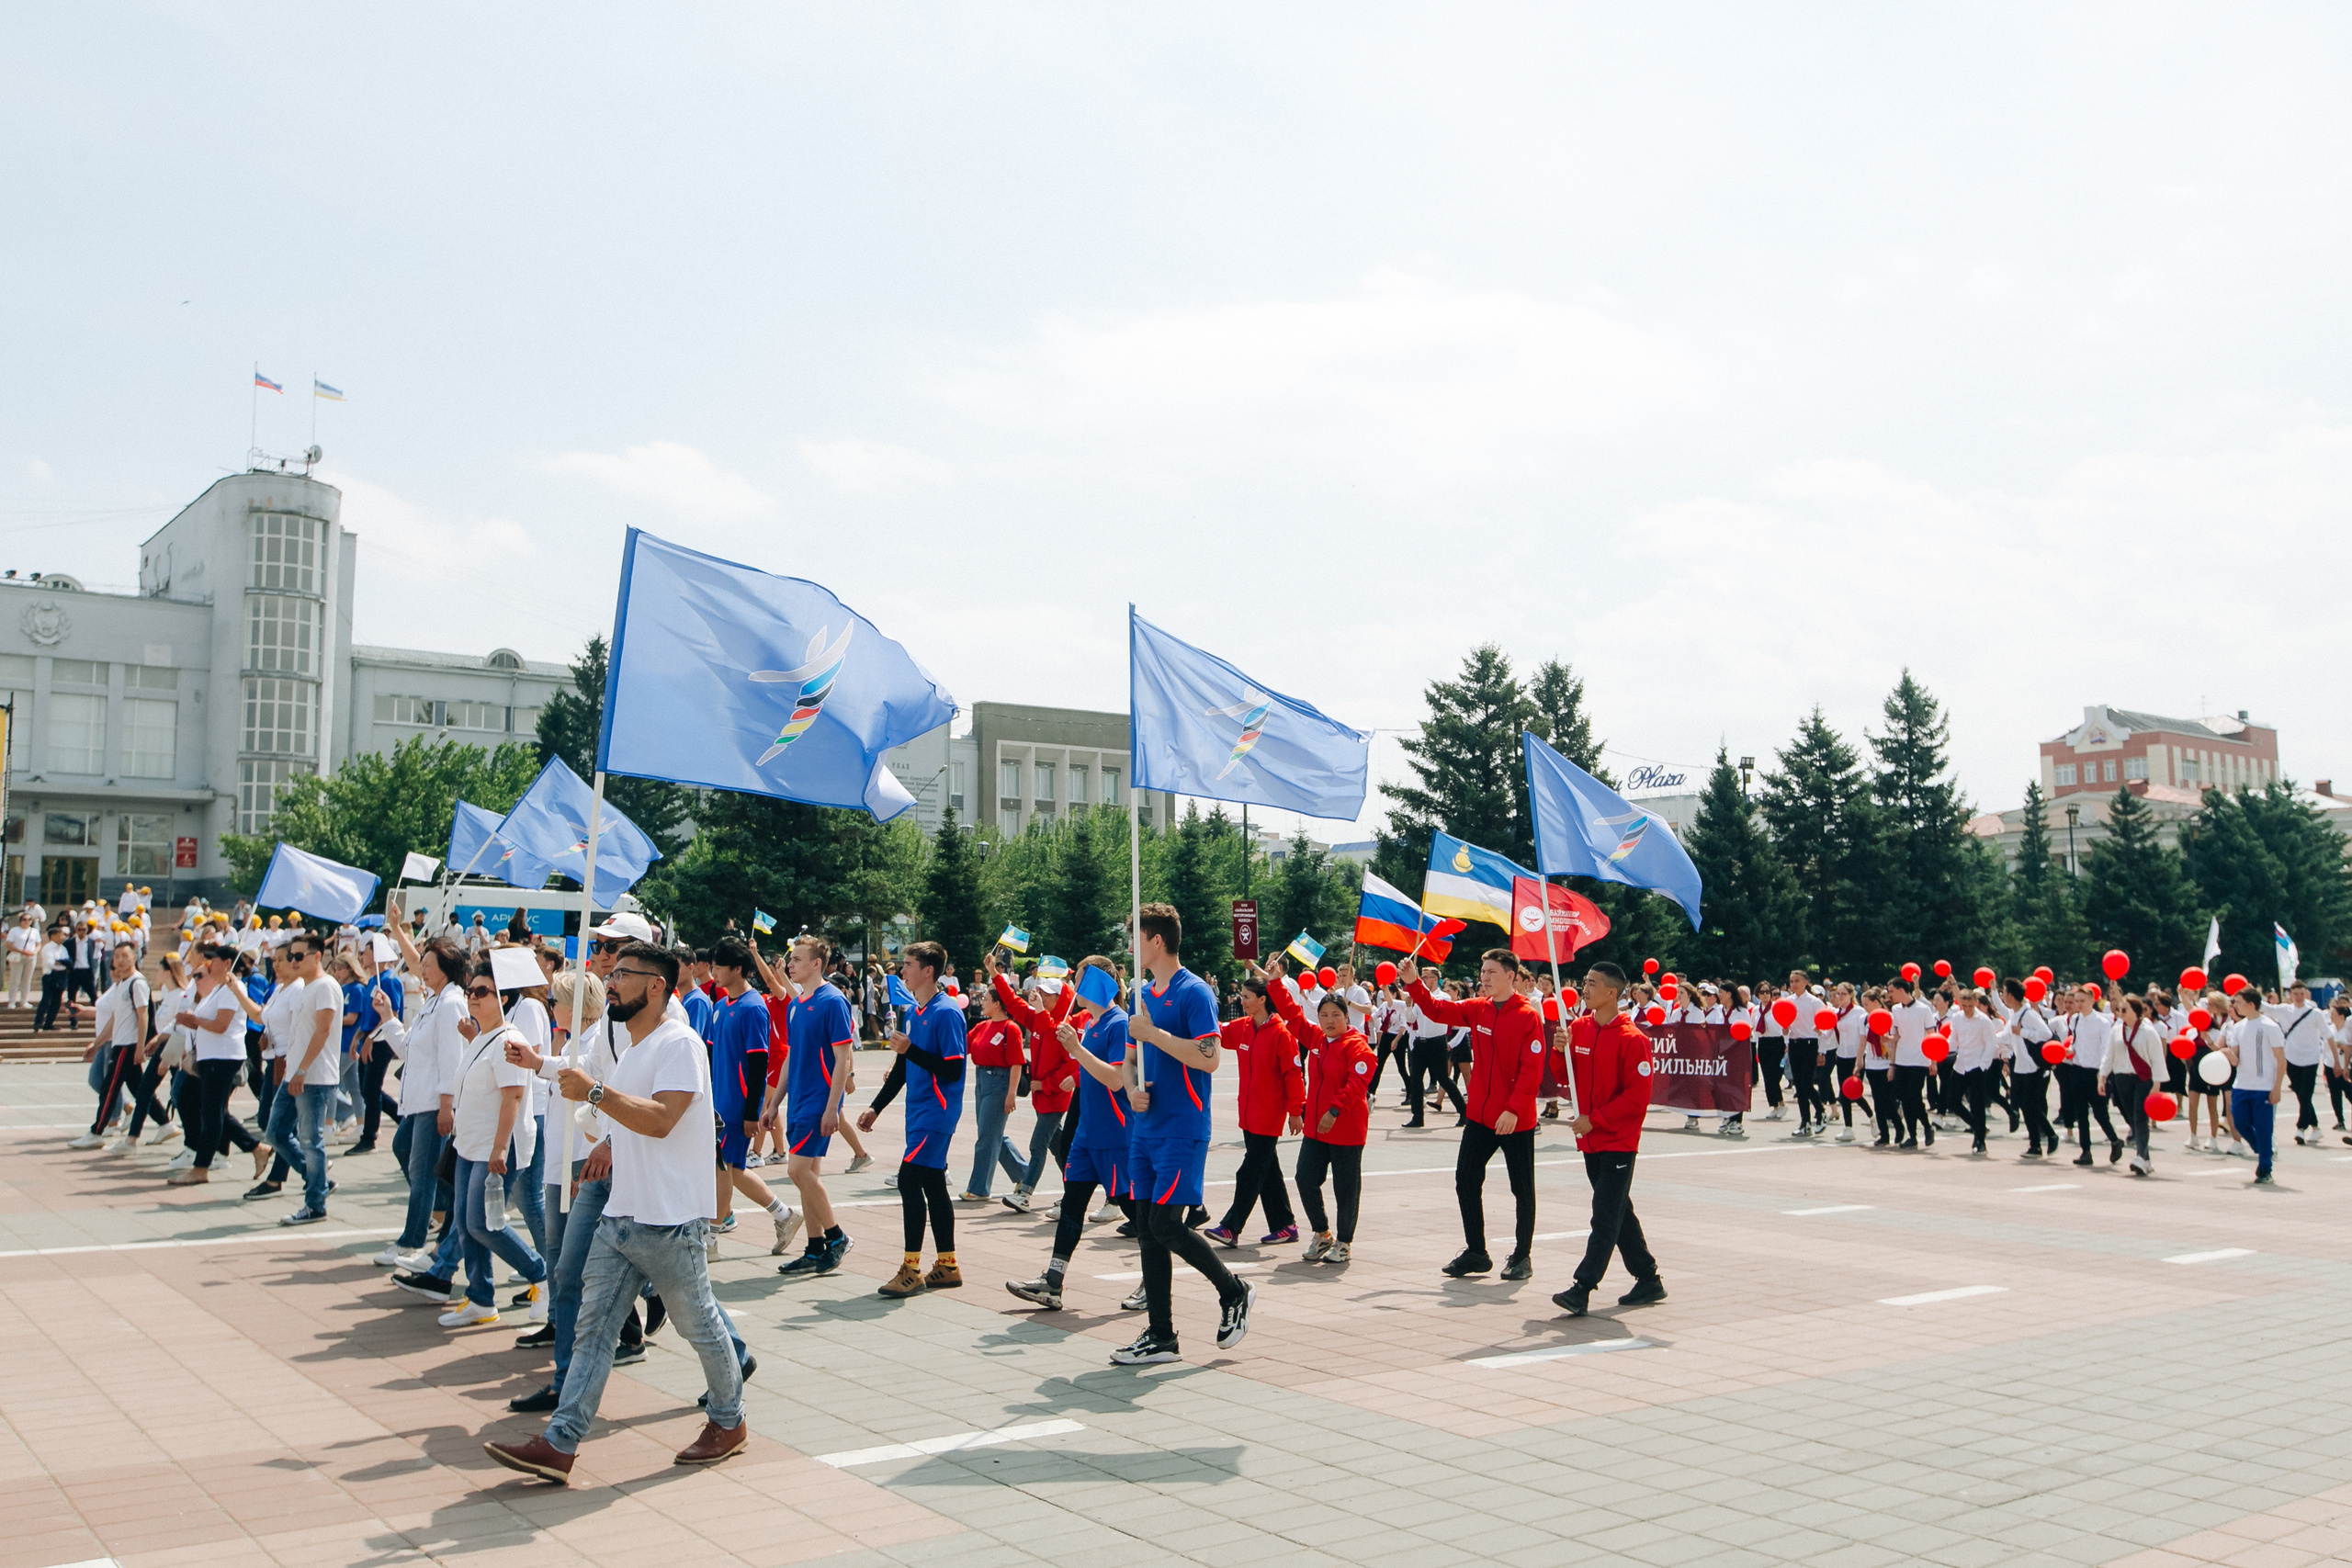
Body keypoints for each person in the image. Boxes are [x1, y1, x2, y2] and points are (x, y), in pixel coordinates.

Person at [481, 942, 749, 1483]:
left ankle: (729, 1420)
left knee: (699, 1326)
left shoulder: (679, 1043)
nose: (612, 980)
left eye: (624, 973)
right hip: (621, 1214)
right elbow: (622, 1118)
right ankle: (560, 1443)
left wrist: (597, 1094)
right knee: (593, 1331)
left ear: (656, 986)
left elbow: (661, 1120)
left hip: (670, 1220)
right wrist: (603, 1138)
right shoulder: (630, 1047)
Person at [1115, 902, 1253, 1364]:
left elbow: (1209, 1056)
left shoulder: (1195, 993)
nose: (1130, 946)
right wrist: (1132, 1088)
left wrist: (1154, 1036)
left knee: (1165, 1224)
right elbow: (1132, 1059)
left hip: (1182, 1127)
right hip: (1146, 1128)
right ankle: (1161, 1336)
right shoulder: (1141, 993)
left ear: (1157, 941)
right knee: (1147, 1231)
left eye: (1135, 937)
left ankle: (1233, 1291)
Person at [1402, 947, 1544, 1280]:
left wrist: (1514, 1109)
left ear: (1511, 976)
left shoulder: (1527, 1016)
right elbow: (1437, 1010)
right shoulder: (1478, 1009)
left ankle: (1522, 1256)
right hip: (1481, 1115)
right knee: (1465, 1179)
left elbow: (1531, 1070)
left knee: (1521, 1189)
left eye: (1492, 972)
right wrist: (1413, 983)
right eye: (1483, 972)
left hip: (1514, 1120)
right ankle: (1477, 1251)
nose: (1485, 978)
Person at [1004, 955, 1136, 1312]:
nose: (1073, 986)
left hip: (1115, 1137)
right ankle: (1053, 1281)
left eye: (1078, 979)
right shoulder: (1092, 1024)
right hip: (1088, 1136)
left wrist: (1075, 1050)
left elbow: (1115, 1078)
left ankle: (1152, 1279)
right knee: (1072, 1208)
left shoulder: (1117, 1024)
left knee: (1136, 1213)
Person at [436, 958, 548, 1325]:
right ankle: (481, 1297)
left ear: (500, 997)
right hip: (470, 1144)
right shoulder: (482, 1036)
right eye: (470, 991)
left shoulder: (510, 1039)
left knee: (484, 1224)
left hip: (497, 1146)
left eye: (481, 992)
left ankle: (541, 1274)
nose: (472, 998)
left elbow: (513, 1096)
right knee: (468, 1224)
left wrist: (500, 1148)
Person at [1552, 961, 1663, 1315]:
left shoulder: (1633, 1039)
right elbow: (1563, 1077)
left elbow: (1636, 1098)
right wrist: (1559, 1051)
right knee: (1619, 1213)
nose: (1584, 988)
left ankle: (1582, 1287)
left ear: (1612, 993)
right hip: (1590, 1140)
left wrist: (1594, 1120)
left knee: (1604, 1215)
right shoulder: (1580, 1028)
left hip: (1617, 1141)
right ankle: (1648, 1278)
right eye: (1585, 981)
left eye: (1592, 983)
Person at [860, 941, 967, 1298]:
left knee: (908, 1181)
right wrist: (876, 1107)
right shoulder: (914, 1012)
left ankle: (911, 1268)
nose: (901, 970)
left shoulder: (947, 1011)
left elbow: (953, 1070)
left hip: (937, 1113)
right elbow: (904, 1069)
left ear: (928, 972)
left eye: (907, 964)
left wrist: (912, 1050)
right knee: (933, 1184)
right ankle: (948, 1265)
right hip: (918, 1113)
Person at [373, 941, 469, 1281]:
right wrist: (388, 1018)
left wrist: (447, 1104)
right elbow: (408, 1049)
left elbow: (452, 1057)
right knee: (406, 1151)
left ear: (446, 967)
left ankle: (411, 1240)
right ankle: (443, 1209)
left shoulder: (451, 1003)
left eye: (427, 964)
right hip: (418, 1102)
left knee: (423, 1171)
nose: (422, 970)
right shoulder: (433, 1002)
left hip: (434, 1102)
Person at [1265, 963, 1372, 1263]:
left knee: (1345, 1187)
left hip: (1346, 1128)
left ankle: (1345, 1241)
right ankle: (1322, 1233)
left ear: (1346, 1017)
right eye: (1324, 1015)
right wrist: (1275, 983)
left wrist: (1335, 1110)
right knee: (1305, 1178)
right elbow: (1293, 1015)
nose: (1328, 1020)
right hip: (1316, 1128)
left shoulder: (1358, 1047)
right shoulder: (1316, 1040)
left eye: (1335, 1015)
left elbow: (1357, 1082)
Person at [763, 934, 856, 1277]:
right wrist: (774, 1103)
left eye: (798, 959)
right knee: (808, 1176)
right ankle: (815, 1248)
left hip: (819, 1102)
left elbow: (843, 1057)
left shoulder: (833, 1001)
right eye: (792, 959)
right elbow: (790, 1058)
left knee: (797, 1172)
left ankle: (836, 1237)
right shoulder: (797, 1004)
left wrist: (833, 1107)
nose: (791, 964)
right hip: (799, 1101)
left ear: (817, 963)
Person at [702, 937, 799, 1262]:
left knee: (723, 1169)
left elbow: (758, 1063)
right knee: (733, 1169)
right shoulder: (720, 1005)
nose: (713, 972)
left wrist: (750, 1112)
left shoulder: (754, 1007)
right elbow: (711, 1053)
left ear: (737, 969)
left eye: (718, 967)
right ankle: (784, 1215)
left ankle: (711, 1239)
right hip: (718, 1102)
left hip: (736, 1104)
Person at [1203, 968, 1304, 1248]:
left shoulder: (1282, 1034)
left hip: (1269, 1116)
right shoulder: (1245, 1026)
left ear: (1262, 999)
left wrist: (1296, 1110)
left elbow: (1294, 1075)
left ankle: (1231, 1227)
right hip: (1248, 1114)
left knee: (1248, 1173)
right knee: (1268, 1172)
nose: (1241, 1000)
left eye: (1246, 997)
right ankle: (1285, 1225)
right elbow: (1218, 1031)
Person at [164, 942, 266, 1186]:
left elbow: (221, 1026)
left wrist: (194, 1020)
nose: (210, 964)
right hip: (210, 1058)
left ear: (227, 964)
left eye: (215, 960)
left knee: (211, 1112)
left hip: (224, 1058)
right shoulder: (219, 990)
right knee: (197, 1102)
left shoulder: (233, 988)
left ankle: (201, 1168)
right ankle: (255, 1148)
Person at [983, 953, 1075, 1214]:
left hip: (1054, 1097)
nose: (1041, 997)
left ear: (1061, 998)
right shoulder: (1038, 1018)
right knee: (1060, 1148)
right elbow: (1011, 1002)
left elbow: (1071, 1066)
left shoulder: (1064, 1027)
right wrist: (994, 973)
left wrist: (1043, 1085)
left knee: (1038, 1144)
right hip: (1041, 1097)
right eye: (1040, 992)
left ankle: (1025, 1193)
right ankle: (1077, 1190)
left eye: (1047, 994)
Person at [71, 942, 156, 1150]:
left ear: (134, 957)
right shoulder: (121, 985)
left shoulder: (137, 983)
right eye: (116, 956)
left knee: (109, 1087)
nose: (118, 960)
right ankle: (165, 1124)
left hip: (128, 1045)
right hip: (119, 1043)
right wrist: (96, 1044)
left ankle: (97, 1131)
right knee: (139, 1089)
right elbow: (114, 1019)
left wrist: (139, 1047)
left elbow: (143, 1016)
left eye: (124, 956)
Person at [960, 975, 1030, 1201]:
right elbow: (961, 1045)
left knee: (986, 1138)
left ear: (997, 1003)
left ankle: (979, 1188)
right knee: (991, 1134)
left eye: (986, 998)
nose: (982, 1002)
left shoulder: (1011, 1029)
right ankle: (1024, 1173)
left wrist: (1011, 1094)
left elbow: (1017, 1063)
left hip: (999, 1082)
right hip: (981, 1080)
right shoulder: (982, 1026)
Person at [2223, 988, 2288, 1184]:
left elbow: (2281, 1060)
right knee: (2240, 1122)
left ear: (2251, 1004)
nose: (2235, 1006)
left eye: (2238, 1002)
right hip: (2242, 1085)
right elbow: (2236, 1060)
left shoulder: (2270, 1026)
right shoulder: (2237, 1027)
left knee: (2263, 1127)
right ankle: (2261, 1148)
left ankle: (2265, 1168)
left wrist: (2277, 1087)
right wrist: (2227, 1055)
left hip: (2263, 1087)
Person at [2102, 995, 2164, 1177]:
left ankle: (2140, 1157)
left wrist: (2157, 1083)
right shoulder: (2116, 1029)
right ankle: (2145, 1158)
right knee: (2131, 1117)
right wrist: (2102, 1076)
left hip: (2143, 1079)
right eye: (2119, 1010)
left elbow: (2157, 1058)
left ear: (2135, 1012)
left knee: (2140, 1116)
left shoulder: (2148, 1030)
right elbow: (2109, 1054)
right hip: (2122, 1078)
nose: (2120, 1013)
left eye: (2124, 1010)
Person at [2264, 982, 2328, 1146]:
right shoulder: (2285, 1010)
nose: (2298, 997)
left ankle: (2301, 1128)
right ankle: (2315, 1127)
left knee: (2306, 1094)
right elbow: (2264, 1007)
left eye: (2301, 993)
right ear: (2290, 995)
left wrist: (2334, 1060)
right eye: (2295, 994)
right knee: (2301, 1094)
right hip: (2291, 1058)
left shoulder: (2315, 1013)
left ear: (2306, 994)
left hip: (2311, 1058)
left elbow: (2328, 1036)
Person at [1946, 988, 2001, 1157]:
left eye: (1970, 1005)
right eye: (1964, 1005)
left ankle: (1980, 1141)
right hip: (1961, 1063)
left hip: (1977, 1065)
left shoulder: (1984, 1021)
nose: (1968, 1009)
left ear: (1976, 1003)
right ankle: (1979, 1127)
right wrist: (1945, 1047)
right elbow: (1953, 1039)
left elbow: (1991, 1044)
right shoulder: (1957, 1018)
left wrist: (1983, 1065)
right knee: (1952, 1101)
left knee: (1977, 1104)